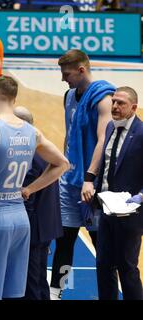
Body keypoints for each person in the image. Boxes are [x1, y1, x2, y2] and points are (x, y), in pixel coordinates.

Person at [0, 76, 69, 300]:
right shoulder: (32, 131)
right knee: (13, 293)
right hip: (20, 219)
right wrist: (29, 190)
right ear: (14, 99)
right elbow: (62, 164)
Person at [50, 49, 114, 300]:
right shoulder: (68, 96)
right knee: (64, 240)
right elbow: (69, 135)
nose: (63, 79)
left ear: (81, 70)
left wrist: (89, 177)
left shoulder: (103, 97)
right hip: (70, 180)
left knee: (101, 243)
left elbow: (102, 140)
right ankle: (56, 291)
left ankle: (107, 293)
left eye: (67, 74)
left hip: (94, 183)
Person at [94, 86, 143, 300]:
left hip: (130, 214)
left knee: (127, 267)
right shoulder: (110, 128)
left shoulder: (141, 134)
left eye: (120, 103)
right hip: (106, 209)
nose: (114, 106)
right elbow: (107, 165)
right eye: (113, 101)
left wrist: (141, 197)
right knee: (103, 264)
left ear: (133, 107)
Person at [13, 106, 63, 300]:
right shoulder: (44, 148)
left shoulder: (27, 155)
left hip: (33, 228)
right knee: (39, 277)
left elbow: (26, 199)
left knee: (30, 281)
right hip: (46, 225)